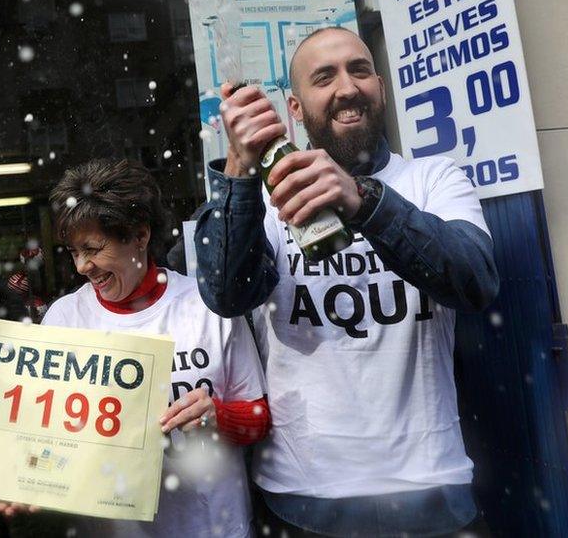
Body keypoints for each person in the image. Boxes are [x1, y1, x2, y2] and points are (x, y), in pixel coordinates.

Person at [195, 26, 499, 537]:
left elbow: (475, 282)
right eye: (324, 77)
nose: (346, 87)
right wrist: (241, 170)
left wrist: (365, 200)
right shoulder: (267, 200)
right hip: (306, 498)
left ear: (379, 85)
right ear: (294, 106)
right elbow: (227, 294)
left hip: (430, 490)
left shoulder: (433, 179)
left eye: (359, 70)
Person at [0, 159, 271, 537]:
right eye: (74, 252)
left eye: (93, 248)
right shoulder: (66, 319)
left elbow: (259, 416)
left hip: (215, 525)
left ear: (140, 235)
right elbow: (42, 438)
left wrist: (218, 418)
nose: (82, 266)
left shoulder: (205, 305)